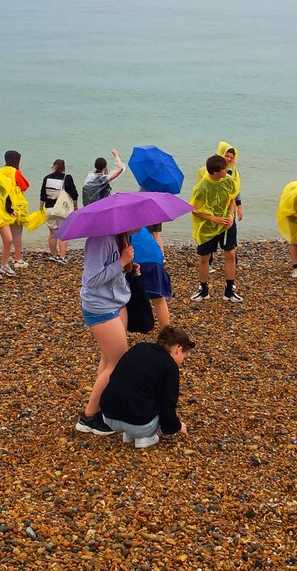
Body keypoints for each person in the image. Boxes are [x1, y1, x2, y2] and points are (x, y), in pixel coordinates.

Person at [75, 232, 133, 436]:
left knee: (109, 360)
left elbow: (111, 270)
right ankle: (88, 417)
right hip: (101, 307)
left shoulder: (121, 236)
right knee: (117, 363)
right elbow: (92, 279)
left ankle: (102, 405)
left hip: (116, 303)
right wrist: (121, 262)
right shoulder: (99, 240)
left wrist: (128, 266)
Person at [100, 325, 195, 448]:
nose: (182, 362)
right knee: (156, 404)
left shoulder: (140, 347)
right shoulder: (170, 366)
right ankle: (145, 438)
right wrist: (176, 426)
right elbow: (167, 404)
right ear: (178, 349)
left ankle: (128, 434)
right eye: (184, 357)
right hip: (139, 425)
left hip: (109, 416)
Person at [189, 155, 242, 303]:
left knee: (230, 254)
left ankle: (229, 291)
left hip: (227, 223)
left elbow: (232, 198)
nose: (226, 171)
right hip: (207, 227)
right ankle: (203, 290)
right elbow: (195, 210)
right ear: (214, 172)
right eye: (223, 169)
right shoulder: (201, 187)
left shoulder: (228, 180)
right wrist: (214, 219)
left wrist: (230, 216)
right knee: (205, 258)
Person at [0, 150, 31, 270]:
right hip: (16, 207)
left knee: (6, 236)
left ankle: (7, 257)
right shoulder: (15, 172)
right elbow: (25, 186)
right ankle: (18, 259)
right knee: (17, 234)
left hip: (1, 207)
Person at [131, 223, 171, 328]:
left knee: (121, 300)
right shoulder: (149, 212)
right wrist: (161, 259)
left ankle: (119, 334)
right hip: (153, 255)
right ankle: (166, 333)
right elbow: (156, 234)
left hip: (133, 257)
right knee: (159, 299)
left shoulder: (116, 215)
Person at [40, 159, 78, 264]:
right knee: (63, 234)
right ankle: (62, 257)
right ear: (63, 167)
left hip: (49, 210)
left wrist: (41, 208)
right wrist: (75, 206)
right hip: (62, 210)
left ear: (54, 166)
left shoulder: (47, 178)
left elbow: (42, 194)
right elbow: (74, 193)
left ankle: (53, 255)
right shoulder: (67, 178)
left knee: (52, 233)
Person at [217, 141, 244, 263]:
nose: (228, 159)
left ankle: (233, 260)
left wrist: (239, 207)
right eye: (226, 156)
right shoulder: (212, 168)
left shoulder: (234, 171)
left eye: (231, 157)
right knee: (211, 237)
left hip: (229, 209)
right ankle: (208, 262)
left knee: (230, 237)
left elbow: (236, 190)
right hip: (213, 209)